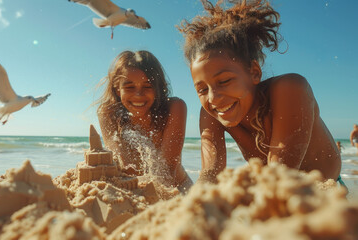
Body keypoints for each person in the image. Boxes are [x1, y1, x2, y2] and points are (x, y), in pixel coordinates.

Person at [177, 0, 342, 183]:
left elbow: (280, 171)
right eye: (202, 89)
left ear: (254, 72)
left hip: (327, 196)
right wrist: (196, 203)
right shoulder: (211, 114)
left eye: (224, 81)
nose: (213, 97)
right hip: (272, 191)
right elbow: (210, 172)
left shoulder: (290, 88)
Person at [96, 50, 192, 191]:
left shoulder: (174, 108)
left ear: (158, 87)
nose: (138, 94)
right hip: (132, 189)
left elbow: (167, 169)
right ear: (117, 89)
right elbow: (116, 162)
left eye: (148, 86)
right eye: (129, 87)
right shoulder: (108, 114)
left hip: (177, 188)